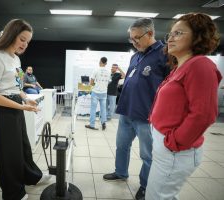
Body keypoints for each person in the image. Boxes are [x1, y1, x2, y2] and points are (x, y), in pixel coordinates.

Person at [146, 13, 222, 200]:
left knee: (157, 197)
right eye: (170, 34)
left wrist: (175, 142)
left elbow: (204, 114)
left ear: (198, 36)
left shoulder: (200, 65)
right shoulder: (180, 66)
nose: (170, 38)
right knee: (163, 195)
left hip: (175, 149)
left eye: (178, 33)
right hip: (167, 145)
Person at [0, 19, 50, 200]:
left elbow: (17, 86)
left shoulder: (16, 59)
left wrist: (27, 98)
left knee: (23, 147)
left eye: (27, 41)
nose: (24, 45)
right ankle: (14, 193)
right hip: (3, 112)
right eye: (22, 39)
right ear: (10, 34)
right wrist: (21, 106)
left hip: (15, 108)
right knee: (8, 155)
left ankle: (31, 176)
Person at [103, 18, 168, 200]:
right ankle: (121, 172)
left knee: (147, 155)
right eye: (131, 39)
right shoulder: (136, 55)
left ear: (150, 34)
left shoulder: (164, 54)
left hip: (146, 115)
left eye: (137, 38)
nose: (134, 42)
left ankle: (146, 186)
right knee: (121, 146)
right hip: (126, 111)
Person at [85, 57, 110, 130]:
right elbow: (108, 82)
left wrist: (94, 85)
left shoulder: (96, 70)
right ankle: (103, 123)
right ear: (106, 63)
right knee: (103, 109)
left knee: (93, 109)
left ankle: (92, 125)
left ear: (100, 62)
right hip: (104, 92)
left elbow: (91, 82)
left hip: (95, 92)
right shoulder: (108, 72)